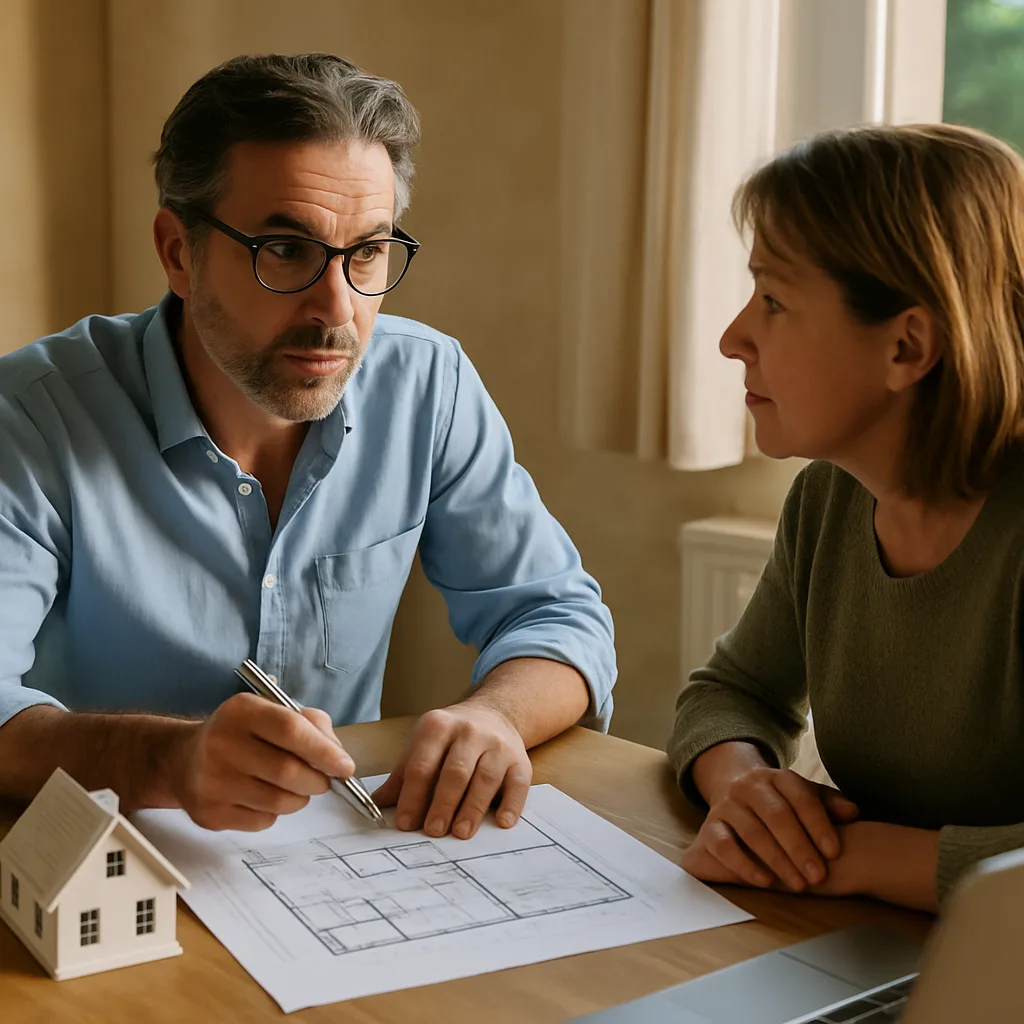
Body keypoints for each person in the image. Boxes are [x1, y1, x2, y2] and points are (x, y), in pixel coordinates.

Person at [0, 54, 616, 841]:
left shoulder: (427, 384)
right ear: (177, 253)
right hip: (96, 867)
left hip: (335, 871)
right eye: (285, 251)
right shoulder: (29, 417)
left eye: (367, 252)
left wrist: (494, 717)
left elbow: (558, 616)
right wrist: (165, 762)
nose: (337, 310)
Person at [669, 123, 1024, 913]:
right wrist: (745, 786)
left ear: (907, 346)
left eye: (774, 300)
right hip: (890, 947)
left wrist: (851, 857)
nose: (733, 339)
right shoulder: (830, 498)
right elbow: (732, 690)